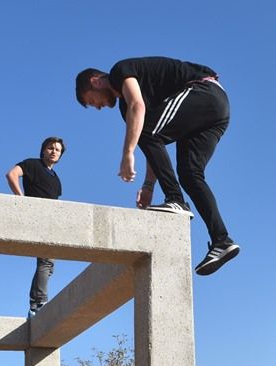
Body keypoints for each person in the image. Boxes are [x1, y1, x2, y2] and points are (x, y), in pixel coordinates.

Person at [75, 57, 240, 276]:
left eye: (91, 101)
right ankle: (222, 240)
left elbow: (138, 107)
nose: (97, 107)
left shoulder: (119, 72)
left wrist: (127, 154)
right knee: (190, 174)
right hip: (215, 112)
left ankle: (176, 200)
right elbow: (154, 141)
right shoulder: (126, 108)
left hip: (203, 92)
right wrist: (148, 186)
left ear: (95, 81)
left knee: (144, 129)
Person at [6, 137, 66, 316]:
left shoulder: (56, 179)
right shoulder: (32, 164)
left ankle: (36, 303)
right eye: (50, 148)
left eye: (57, 149)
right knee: (46, 260)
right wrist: (21, 198)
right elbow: (12, 174)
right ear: (43, 150)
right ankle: (38, 303)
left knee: (49, 263)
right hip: (37, 217)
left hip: (52, 222)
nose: (54, 151)